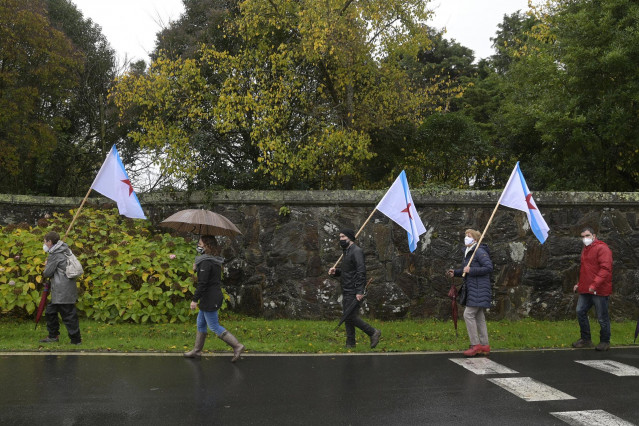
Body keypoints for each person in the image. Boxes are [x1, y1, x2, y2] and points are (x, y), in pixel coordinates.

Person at [184, 235, 245, 362]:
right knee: (200, 323)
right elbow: (209, 277)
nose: (198, 246)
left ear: (207, 246)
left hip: (210, 298)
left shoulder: (206, 262)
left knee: (214, 326)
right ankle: (196, 351)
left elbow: (203, 283)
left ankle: (237, 346)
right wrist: (197, 269)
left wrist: (194, 300)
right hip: (211, 296)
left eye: (200, 244)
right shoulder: (212, 260)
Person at [328, 228, 381, 349]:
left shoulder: (356, 251)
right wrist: (336, 271)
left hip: (353, 289)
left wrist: (359, 290)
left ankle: (373, 332)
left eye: (342, 237)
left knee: (350, 316)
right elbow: (347, 272)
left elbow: (361, 271)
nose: (340, 239)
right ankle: (350, 344)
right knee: (348, 317)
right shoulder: (346, 252)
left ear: (350, 238)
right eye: (340, 237)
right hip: (346, 288)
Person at [446, 229, 493, 357]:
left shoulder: (479, 251)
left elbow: (488, 267)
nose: (466, 237)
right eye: (466, 235)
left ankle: (475, 345)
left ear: (475, 239)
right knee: (479, 317)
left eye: (469, 235)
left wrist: (471, 269)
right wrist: (455, 272)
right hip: (474, 288)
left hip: (479, 289)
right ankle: (484, 345)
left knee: (468, 314)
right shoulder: (469, 252)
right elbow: (465, 270)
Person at [572, 227, 613, 351]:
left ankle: (605, 341)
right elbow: (587, 270)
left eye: (587, 235)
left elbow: (605, 269)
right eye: (583, 236)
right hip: (587, 289)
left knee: (602, 317)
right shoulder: (586, 249)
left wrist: (594, 285)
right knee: (580, 311)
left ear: (594, 236)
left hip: (599, 289)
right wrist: (580, 284)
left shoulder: (602, 248)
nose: (585, 238)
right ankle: (586, 339)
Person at [40, 231, 82, 345]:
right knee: (50, 312)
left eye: (45, 241)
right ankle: (53, 336)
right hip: (62, 289)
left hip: (62, 290)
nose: (44, 244)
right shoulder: (64, 249)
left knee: (68, 315)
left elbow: (47, 273)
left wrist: (47, 264)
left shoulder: (55, 254)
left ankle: (76, 340)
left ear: (49, 242)